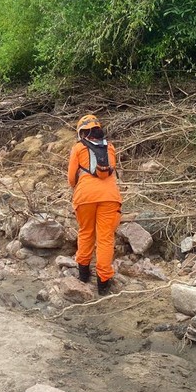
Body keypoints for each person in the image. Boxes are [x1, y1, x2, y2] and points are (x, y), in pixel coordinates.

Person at [67, 114, 122, 295]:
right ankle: (103, 283)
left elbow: (71, 178)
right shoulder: (110, 147)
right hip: (110, 197)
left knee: (86, 232)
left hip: (85, 197)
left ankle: (83, 274)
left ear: (81, 132)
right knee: (105, 238)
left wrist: (81, 188)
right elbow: (110, 171)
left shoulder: (78, 147)